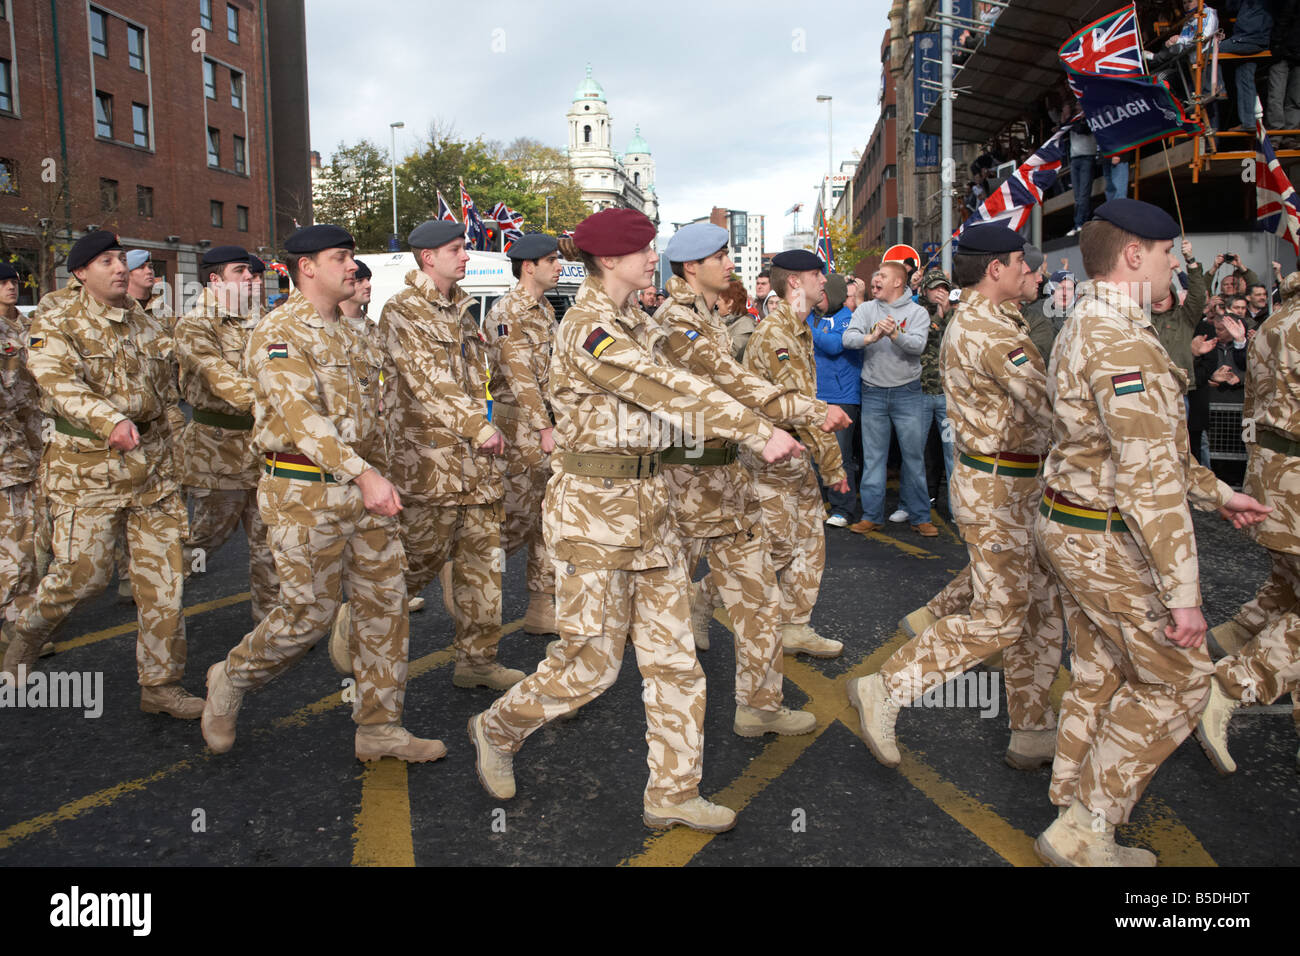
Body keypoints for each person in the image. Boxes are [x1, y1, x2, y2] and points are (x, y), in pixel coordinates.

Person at [466, 208, 801, 832]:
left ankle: (672, 793)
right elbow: (664, 388)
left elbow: (692, 379)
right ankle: (497, 727)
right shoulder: (591, 330)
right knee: (590, 666)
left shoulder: (635, 319)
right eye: (645, 250)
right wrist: (759, 431)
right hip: (593, 517)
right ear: (610, 260)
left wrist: (771, 414)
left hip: (652, 511)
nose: (656, 258)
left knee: (675, 661)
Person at [1030, 199, 1268, 867]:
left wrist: (1220, 494)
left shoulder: (1092, 323)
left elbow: (1150, 449)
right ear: (1135, 255)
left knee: (1102, 669)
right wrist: (1183, 594)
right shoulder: (1123, 341)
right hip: (1103, 538)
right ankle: (1085, 828)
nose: (1174, 266)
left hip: (1074, 525)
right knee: (1182, 681)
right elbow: (1146, 478)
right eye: (1168, 254)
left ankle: (1071, 797)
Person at [201, 224, 444, 763]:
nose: (352, 268)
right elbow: (303, 420)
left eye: (353, 257)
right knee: (305, 616)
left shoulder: (356, 332)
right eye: (340, 258)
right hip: (305, 493)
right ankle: (231, 678)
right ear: (306, 267)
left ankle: (380, 729)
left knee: (386, 607)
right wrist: (365, 475)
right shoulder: (279, 332)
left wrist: (394, 470)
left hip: (367, 492)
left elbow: (383, 412)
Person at [848, 224, 1064, 775]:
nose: (1029, 272)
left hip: (1014, 484)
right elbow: (1055, 409)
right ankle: (887, 687)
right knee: (1001, 616)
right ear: (997, 268)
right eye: (1022, 263)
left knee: (1037, 611)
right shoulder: (990, 331)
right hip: (999, 489)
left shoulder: (997, 320)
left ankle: (1032, 728)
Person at [656, 222, 847, 730]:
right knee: (643, 619)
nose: (730, 264)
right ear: (692, 266)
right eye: (720, 256)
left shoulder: (708, 318)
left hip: (726, 476)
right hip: (686, 482)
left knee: (760, 597)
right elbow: (733, 385)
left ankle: (758, 709)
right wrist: (807, 413)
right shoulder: (678, 320)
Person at [2, 231, 201, 717]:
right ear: (80, 273)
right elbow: (57, 381)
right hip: (86, 471)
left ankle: (160, 686)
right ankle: (26, 632)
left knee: (164, 584)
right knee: (83, 577)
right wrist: (108, 419)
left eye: (122, 259)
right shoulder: (55, 320)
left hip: (152, 470)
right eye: (107, 260)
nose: (120, 267)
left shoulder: (147, 323)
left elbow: (184, 374)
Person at [331, 220, 520, 691]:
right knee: (415, 564)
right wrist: (479, 426)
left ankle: (477, 660)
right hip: (428, 467)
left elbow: (479, 379)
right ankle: (358, 621)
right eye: (456, 249)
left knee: (483, 569)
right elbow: (428, 380)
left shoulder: (462, 308)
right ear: (428, 257)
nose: (466, 256)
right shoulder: (404, 311)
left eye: (465, 249)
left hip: (476, 467)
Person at [1198, 269, 1300, 773]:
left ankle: (1232, 638)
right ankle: (1232, 682)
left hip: (1275, 480)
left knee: (1287, 593)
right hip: (1296, 483)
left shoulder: (1277, 321)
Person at [742, 249, 850, 657]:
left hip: (796, 458)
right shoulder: (777, 334)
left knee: (809, 543)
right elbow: (803, 410)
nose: (824, 282)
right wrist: (833, 465)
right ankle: (703, 602)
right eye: (816, 275)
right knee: (770, 552)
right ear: (795, 283)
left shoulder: (801, 330)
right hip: (772, 461)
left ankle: (795, 626)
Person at [174, 245, 276, 623]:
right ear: (216, 280)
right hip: (217, 452)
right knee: (207, 537)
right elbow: (218, 375)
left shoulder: (261, 319)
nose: (250, 277)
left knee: (269, 538)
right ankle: (159, 591)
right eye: (240, 271)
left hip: (263, 446)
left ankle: (270, 622)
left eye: (250, 272)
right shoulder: (195, 325)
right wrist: (272, 406)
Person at [483, 233, 563, 635]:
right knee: (514, 517)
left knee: (548, 519)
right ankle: (471, 576)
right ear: (528, 266)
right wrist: (544, 427)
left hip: (546, 423)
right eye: (551, 259)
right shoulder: (506, 311)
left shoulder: (546, 309)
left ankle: (541, 604)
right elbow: (519, 377)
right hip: (520, 426)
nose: (558, 265)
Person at [842, 261, 935, 536]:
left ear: (898, 282)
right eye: (875, 275)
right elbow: (848, 338)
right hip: (872, 391)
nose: (875, 280)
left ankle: (920, 516)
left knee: (913, 458)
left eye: (881, 275)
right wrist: (870, 338)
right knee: (873, 459)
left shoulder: (917, 313)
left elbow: (918, 346)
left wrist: (895, 334)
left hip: (908, 392)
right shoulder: (867, 309)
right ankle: (872, 515)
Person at [0, 262, 43, 649]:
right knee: (16, 537)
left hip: (34, 444)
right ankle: (14, 621)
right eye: (2, 282)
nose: (11, 287)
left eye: (13, 280)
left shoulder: (28, 326)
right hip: (6, 451)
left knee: (30, 534)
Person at [808, 273, 862, 527]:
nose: (819, 298)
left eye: (824, 293)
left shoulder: (848, 319)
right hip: (814, 397)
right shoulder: (810, 316)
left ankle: (843, 509)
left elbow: (834, 345)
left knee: (840, 456)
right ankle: (816, 505)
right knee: (814, 456)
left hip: (841, 398)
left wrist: (807, 329)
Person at [918, 270, 956, 517]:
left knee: (952, 454)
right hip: (920, 394)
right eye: (934, 288)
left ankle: (956, 508)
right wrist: (939, 316)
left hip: (947, 397)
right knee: (918, 453)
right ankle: (918, 507)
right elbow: (921, 341)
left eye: (943, 288)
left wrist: (948, 312)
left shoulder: (957, 313)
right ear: (925, 290)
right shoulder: (918, 312)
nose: (939, 292)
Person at [716, 276, 755, 361]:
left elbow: (731, 354)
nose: (715, 303)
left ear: (730, 302)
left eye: (718, 299)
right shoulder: (721, 321)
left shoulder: (746, 326)